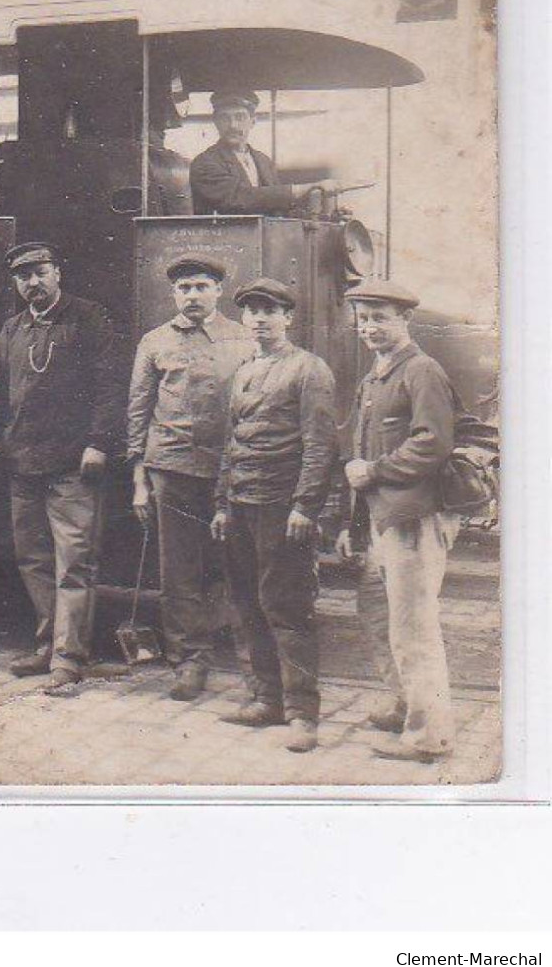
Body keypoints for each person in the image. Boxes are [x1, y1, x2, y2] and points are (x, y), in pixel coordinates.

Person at [0, 242, 124, 690]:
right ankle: (49, 644)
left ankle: (68, 658)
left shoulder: (88, 317)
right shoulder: (13, 329)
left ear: (57, 272)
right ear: (16, 283)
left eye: (40, 272)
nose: (33, 283)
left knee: (73, 562)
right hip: (23, 462)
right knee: (34, 560)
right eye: (24, 276)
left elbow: (109, 385)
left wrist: (99, 443)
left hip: (72, 465)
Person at [334, 278, 461, 764]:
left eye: (380, 318)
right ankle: (407, 703)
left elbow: (432, 442)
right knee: (382, 617)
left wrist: (376, 471)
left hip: (413, 516)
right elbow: (363, 449)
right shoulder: (379, 372)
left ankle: (429, 736)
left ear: (404, 321)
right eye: (363, 319)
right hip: (383, 518)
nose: (369, 328)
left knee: (414, 628)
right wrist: (354, 518)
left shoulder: (420, 369)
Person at [210, 278, 337, 753]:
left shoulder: (309, 370)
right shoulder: (244, 371)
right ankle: (267, 699)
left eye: (271, 311)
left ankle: (303, 714)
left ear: (288, 317)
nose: (260, 320)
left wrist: (305, 505)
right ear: (243, 319)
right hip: (241, 506)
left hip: (282, 510)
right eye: (253, 311)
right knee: (246, 604)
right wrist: (222, 505)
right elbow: (231, 443)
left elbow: (321, 445)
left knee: (287, 607)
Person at [128, 253, 255, 700]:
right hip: (172, 469)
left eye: (202, 286)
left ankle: (250, 663)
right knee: (179, 572)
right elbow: (138, 414)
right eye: (184, 288)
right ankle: (189, 661)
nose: (193, 295)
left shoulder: (244, 341)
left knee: (236, 566)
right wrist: (140, 482)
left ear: (218, 291)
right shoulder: (155, 342)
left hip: (231, 472)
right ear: (173, 294)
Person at [189, 89, 338, 218]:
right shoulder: (205, 163)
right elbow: (240, 198)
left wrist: (321, 215)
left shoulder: (263, 161)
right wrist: (300, 189)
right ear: (215, 122)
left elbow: (277, 209)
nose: (233, 125)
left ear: (253, 121)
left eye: (240, 117)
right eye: (224, 118)